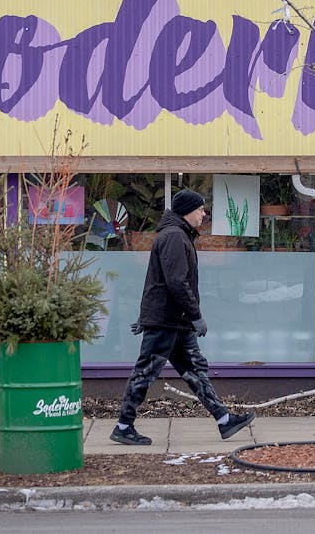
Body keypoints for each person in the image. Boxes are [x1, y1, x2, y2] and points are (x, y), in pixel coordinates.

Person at [111, 188, 255, 446]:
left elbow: (161, 281)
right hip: (168, 321)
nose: (204, 213)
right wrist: (196, 315)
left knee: (195, 371)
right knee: (145, 373)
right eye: (200, 209)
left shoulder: (177, 235)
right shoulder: (175, 237)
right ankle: (123, 426)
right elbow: (176, 282)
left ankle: (224, 420)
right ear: (188, 211)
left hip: (174, 321)